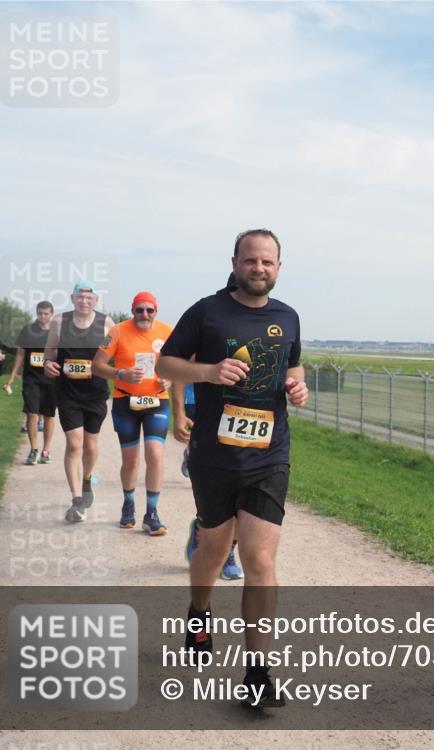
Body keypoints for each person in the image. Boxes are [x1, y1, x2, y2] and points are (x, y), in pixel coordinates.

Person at [157, 228, 307, 708]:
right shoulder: (207, 311)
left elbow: (295, 367)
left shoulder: (289, 317)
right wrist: (208, 372)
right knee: (213, 550)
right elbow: (165, 364)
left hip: (269, 454)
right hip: (214, 456)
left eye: (267, 262)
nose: (258, 269)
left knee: (261, 559)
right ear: (235, 262)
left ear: (278, 267)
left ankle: (258, 672)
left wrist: (297, 387)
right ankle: (198, 613)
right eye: (250, 261)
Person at [93, 292, 174, 535]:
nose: (145, 315)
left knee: (155, 455)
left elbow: (178, 365)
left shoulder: (168, 332)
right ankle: (128, 504)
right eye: (140, 310)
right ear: (133, 311)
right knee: (131, 460)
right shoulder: (118, 331)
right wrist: (121, 374)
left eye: (150, 310)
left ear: (156, 311)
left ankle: (152, 512)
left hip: (157, 402)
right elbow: (97, 366)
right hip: (125, 401)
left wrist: (169, 379)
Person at [44, 281, 115, 523]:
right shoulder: (59, 322)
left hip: (95, 393)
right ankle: (77, 501)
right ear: (72, 298)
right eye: (80, 297)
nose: (84, 301)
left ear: (96, 300)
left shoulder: (107, 323)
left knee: (91, 445)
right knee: (74, 444)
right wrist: (48, 364)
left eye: (89, 297)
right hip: (67, 393)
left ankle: (87, 481)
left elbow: (116, 353)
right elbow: (49, 352)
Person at [174, 378, 243, 580]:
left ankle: (228, 549)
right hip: (201, 403)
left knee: (242, 488)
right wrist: (178, 413)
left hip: (242, 409)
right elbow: (180, 362)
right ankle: (203, 526)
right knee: (215, 484)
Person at [3, 301, 58, 465]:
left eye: (46, 313)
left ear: (51, 314)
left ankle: (46, 450)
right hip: (31, 379)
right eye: (40, 313)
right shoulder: (28, 330)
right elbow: (20, 354)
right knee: (32, 413)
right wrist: (12, 376)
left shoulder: (57, 331)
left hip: (51, 380)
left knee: (49, 415)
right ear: (36, 313)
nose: (43, 316)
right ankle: (34, 450)